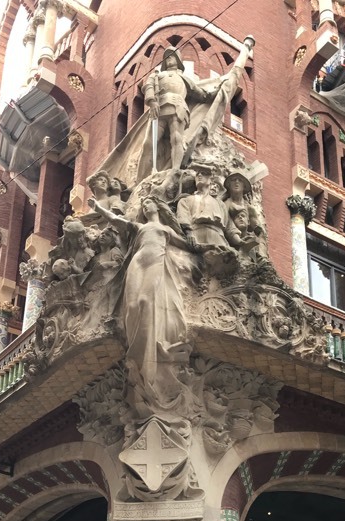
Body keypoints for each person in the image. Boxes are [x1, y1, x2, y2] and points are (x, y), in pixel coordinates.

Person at [88, 195, 192, 401]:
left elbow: (188, 245)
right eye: (143, 204)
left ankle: (151, 350)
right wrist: (98, 208)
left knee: (146, 301)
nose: (145, 206)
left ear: (158, 207)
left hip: (156, 259)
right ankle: (135, 354)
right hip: (138, 261)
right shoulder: (139, 227)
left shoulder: (166, 230)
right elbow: (116, 220)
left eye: (149, 203)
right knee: (133, 305)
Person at [138, 47, 214, 178]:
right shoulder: (157, 75)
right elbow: (148, 87)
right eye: (167, 57)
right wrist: (152, 101)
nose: (169, 59)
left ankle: (175, 171)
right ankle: (139, 179)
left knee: (176, 138)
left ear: (178, 60)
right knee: (148, 143)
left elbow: (202, 94)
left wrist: (218, 91)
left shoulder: (184, 79)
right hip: (159, 108)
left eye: (172, 56)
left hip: (178, 107)